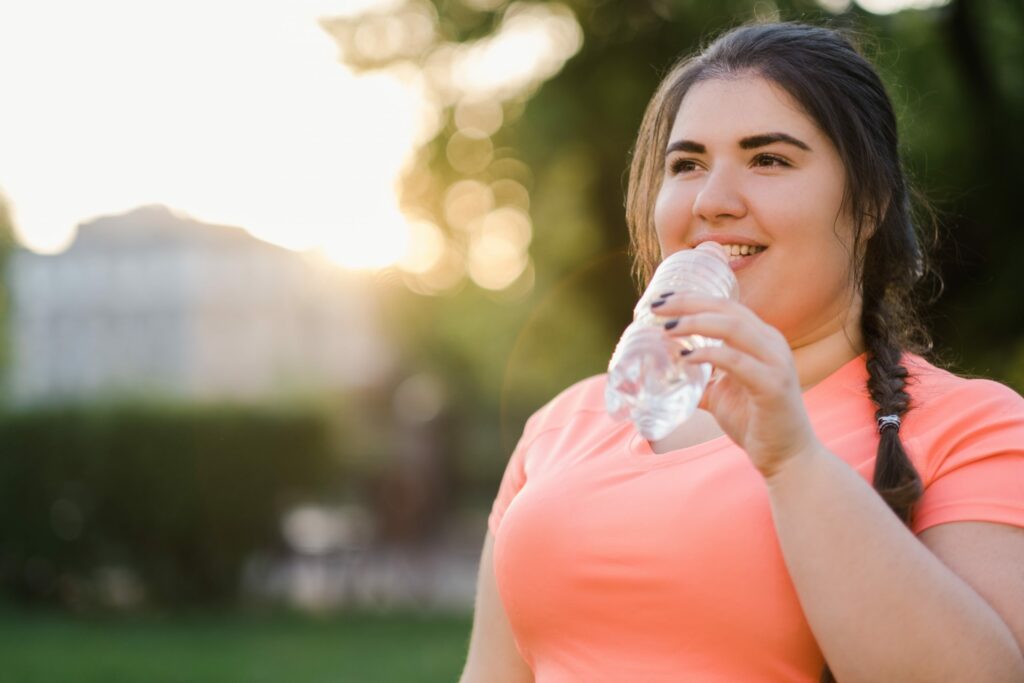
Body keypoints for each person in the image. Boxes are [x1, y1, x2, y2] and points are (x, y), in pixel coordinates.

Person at [459, 21, 1024, 683]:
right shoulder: (562, 425)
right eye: (686, 164)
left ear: (870, 202)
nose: (712, 201)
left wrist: (794, 463)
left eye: (769, 159)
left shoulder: (970, 426)